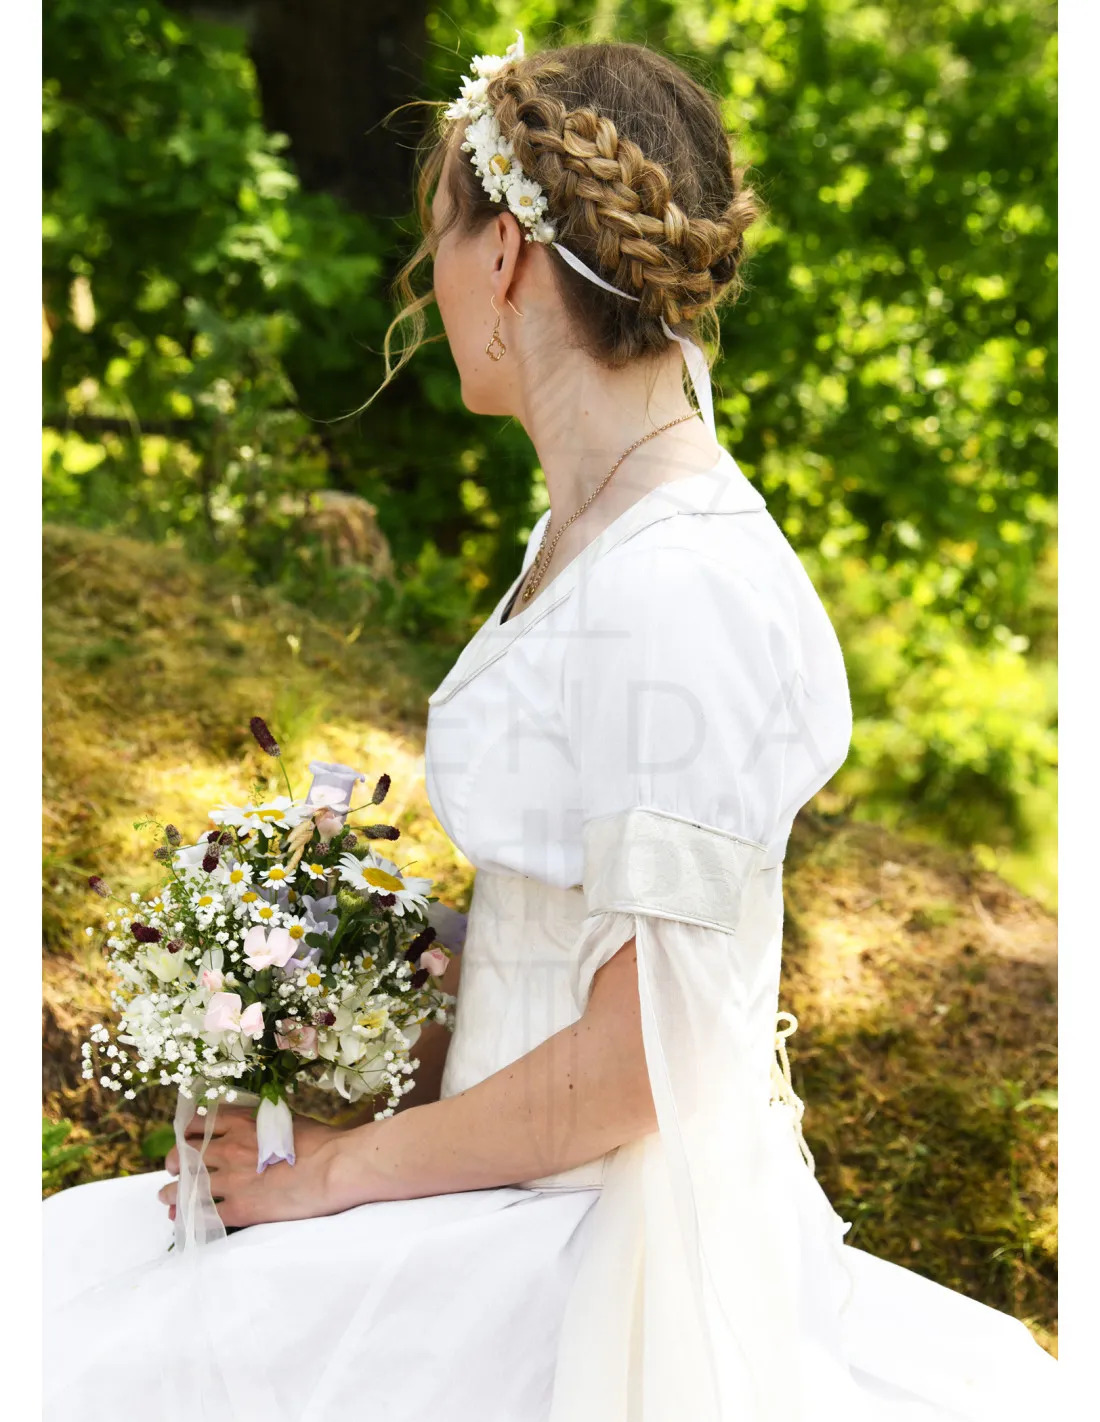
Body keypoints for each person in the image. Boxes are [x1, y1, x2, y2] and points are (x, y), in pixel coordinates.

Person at [42, 33, 1058, 1422]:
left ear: (507, 256)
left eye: (441, 239)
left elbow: (646, 1058)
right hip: (507, 1185)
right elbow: (578, 926)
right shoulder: (592, 536)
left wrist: (329, 1172)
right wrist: (352, 973)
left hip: (594, 1249)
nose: (432, 280)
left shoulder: (680, 585)